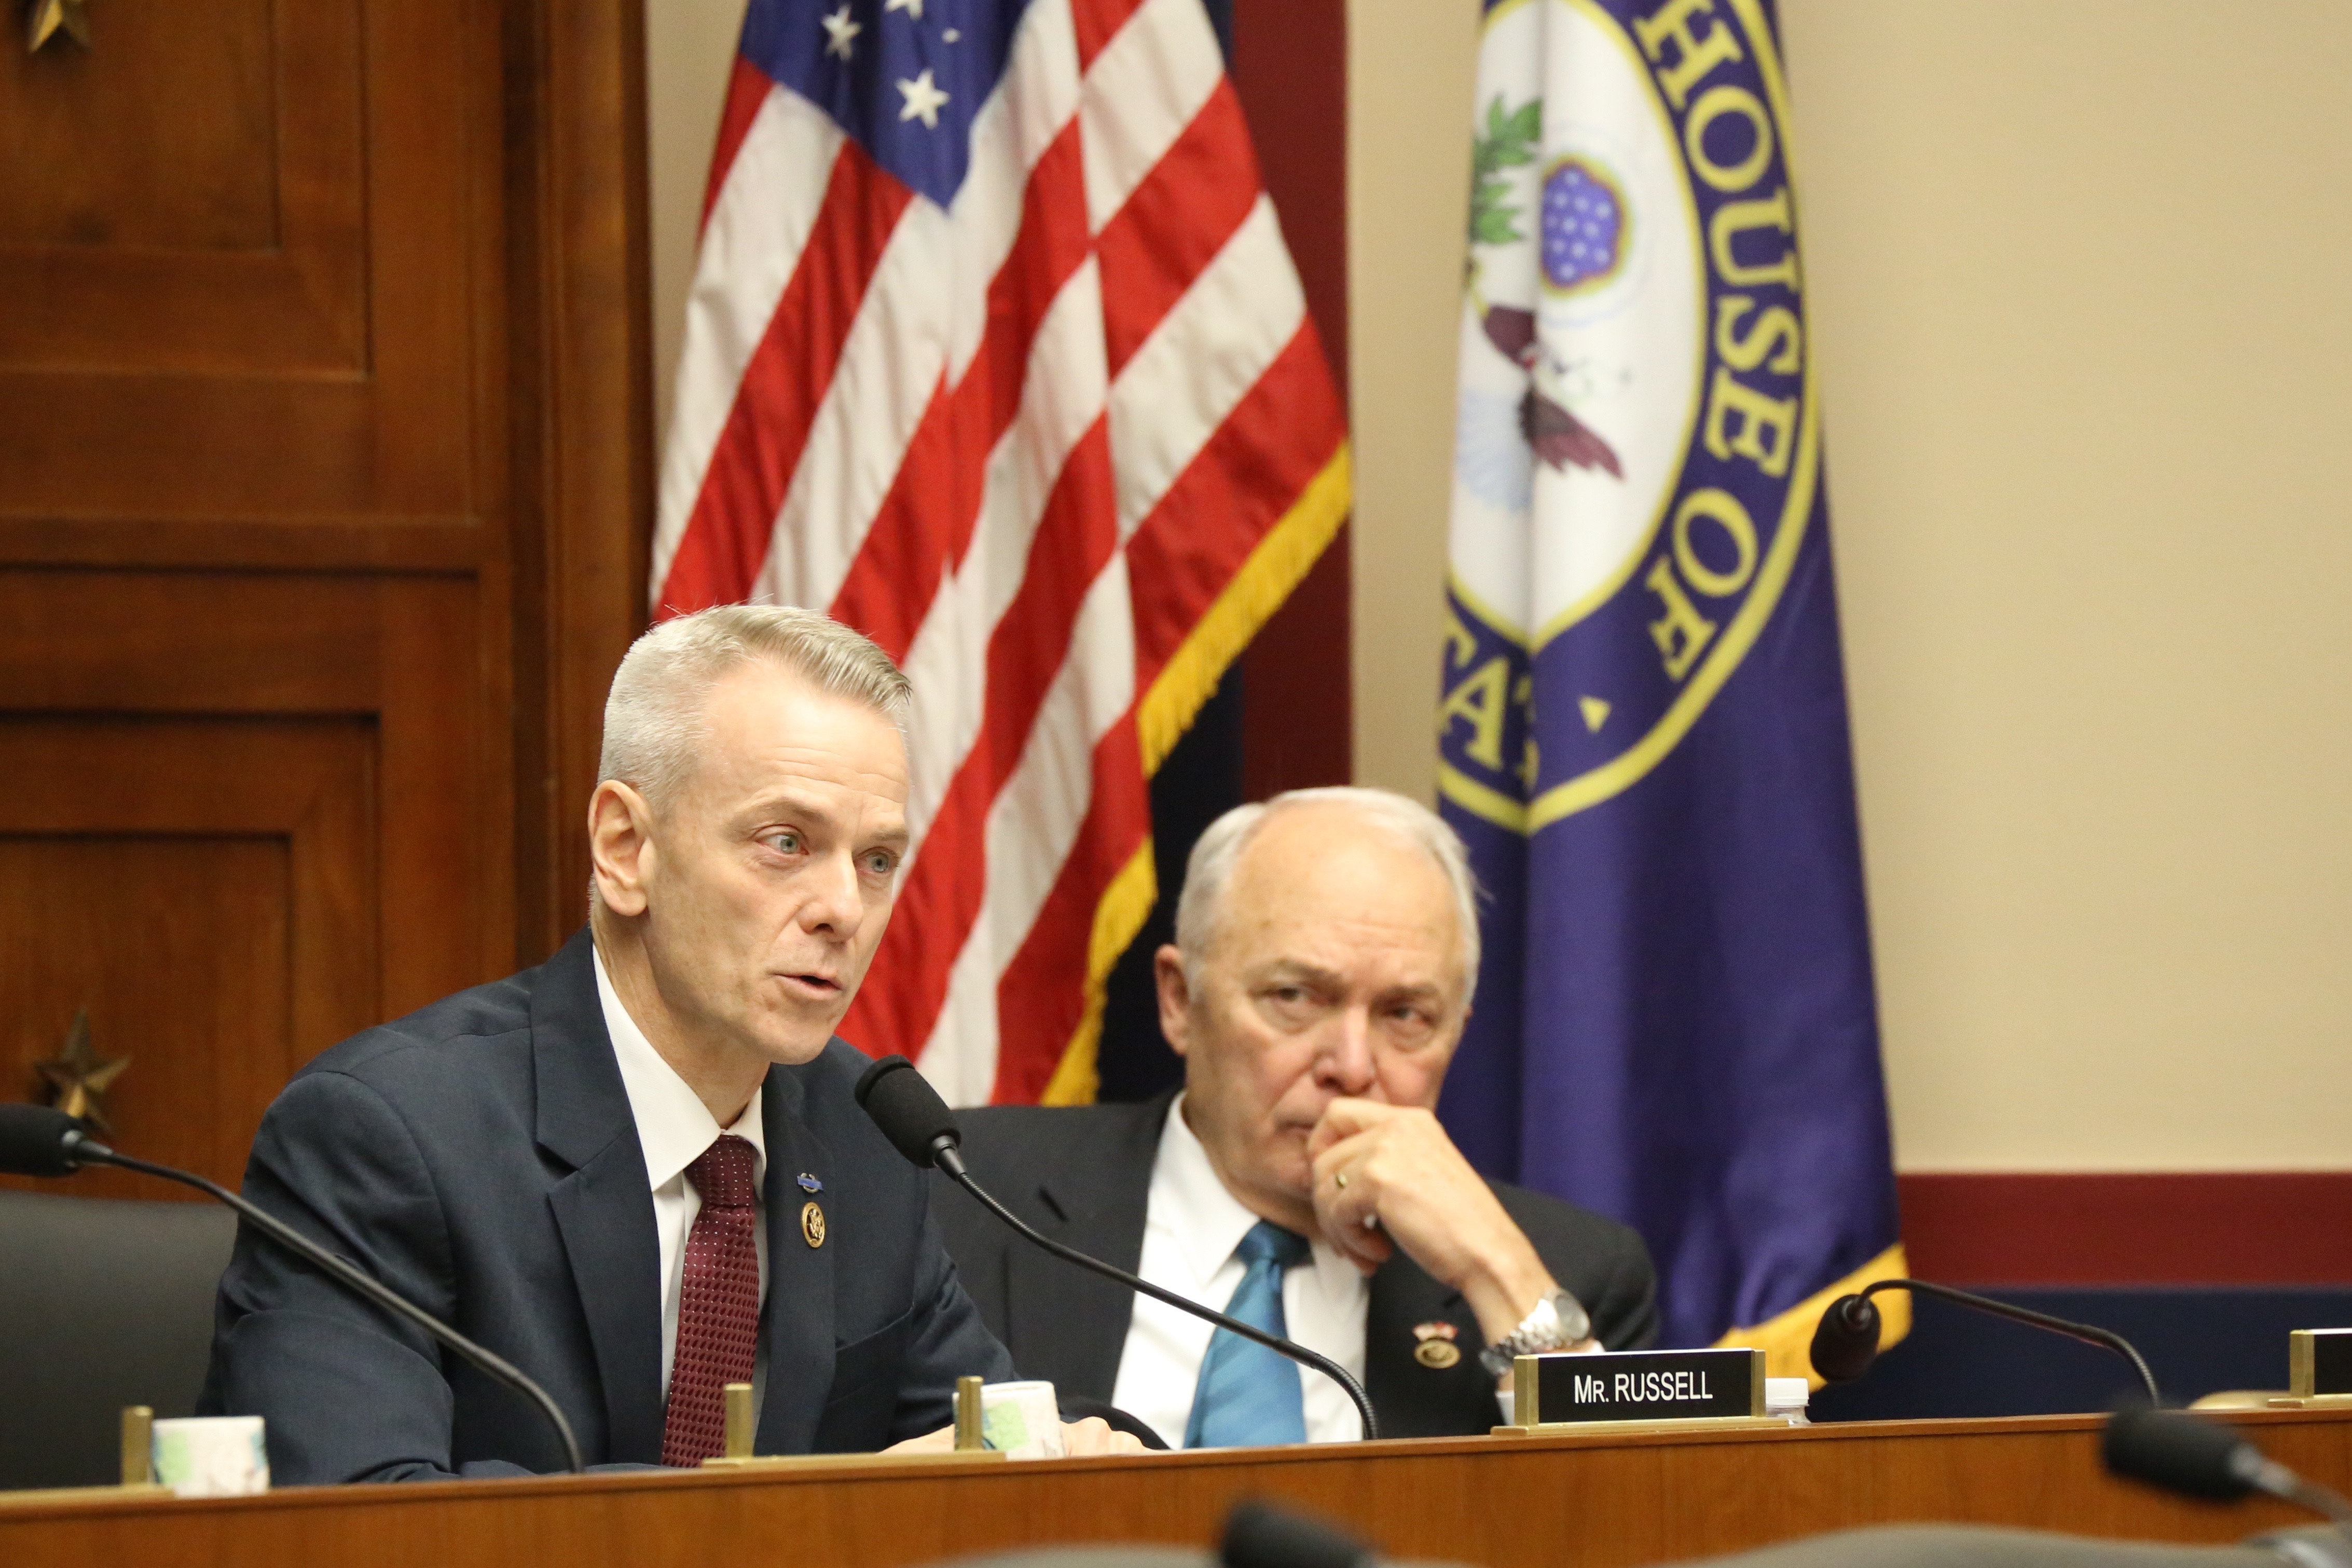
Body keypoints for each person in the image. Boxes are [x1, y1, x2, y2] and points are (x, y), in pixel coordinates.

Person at [202, 606, 1140, 1481]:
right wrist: (819, 1510)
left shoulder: (867, 1140)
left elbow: (981, 1449)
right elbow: (368, 1516)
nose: (844, 910)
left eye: (877, 859)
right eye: (785, 841)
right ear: (625, 847)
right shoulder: (389, 1135)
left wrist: (1069, 1455)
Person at [932, 787, 1658, 1446]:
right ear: (1180, 1000)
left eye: (1405, 1014)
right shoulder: (959, 1193)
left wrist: (1495, 1270)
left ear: (1456, 1033)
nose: (1352, 1064)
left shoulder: (1574, 1271)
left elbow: (1627, 1523)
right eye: (1295, 997)